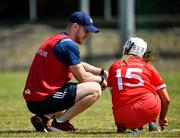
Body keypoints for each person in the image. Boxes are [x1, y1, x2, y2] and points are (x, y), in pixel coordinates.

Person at [23, 11, 108, 132]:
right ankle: (60, 123)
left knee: (71, 98)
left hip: (33, 100)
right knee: (95, 89)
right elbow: (83, 77)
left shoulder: (56, 39)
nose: (88, 34)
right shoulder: (68, 45)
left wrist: (101, 71)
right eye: (86, 30)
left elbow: (77, 63)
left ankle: (43, 117)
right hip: (44, 99)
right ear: (75, 26)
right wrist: (101, 80)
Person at [107, 37, 170, 133]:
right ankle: (152, 122)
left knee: (121, 94)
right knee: (152, 88)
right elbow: (166, 100)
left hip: (122, 116)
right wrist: (162, 118)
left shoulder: (114, 66)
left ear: (126, 48)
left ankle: (123, 125)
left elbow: (115, 96)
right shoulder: (148, 67)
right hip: (149, 110)